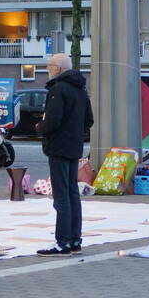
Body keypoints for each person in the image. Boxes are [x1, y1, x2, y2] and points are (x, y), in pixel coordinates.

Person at [35, 53, 94, 257]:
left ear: (59, 68)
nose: (48, 68)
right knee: (72, 194)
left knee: (61, 196)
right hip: (74, 147)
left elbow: (53, 121)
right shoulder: (80, 90)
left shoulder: (57, 89)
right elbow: (89, 120)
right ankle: (75, 240)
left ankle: (63, 242)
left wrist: (40, 127)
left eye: (50, 65)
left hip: (58, 147)